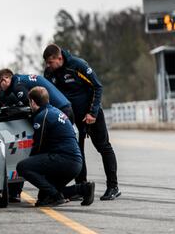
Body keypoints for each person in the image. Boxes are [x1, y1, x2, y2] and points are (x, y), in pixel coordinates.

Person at [43, 44, 120, 201]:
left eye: (50, 62)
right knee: (77, 152)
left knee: (103, 147)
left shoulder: (78, 65)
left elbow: (97, 87)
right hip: (71, 118)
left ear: (60, 58)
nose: (48, 66)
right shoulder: (49, 73)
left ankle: (113, 187)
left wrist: (92, 113)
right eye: (46, 63)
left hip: (90, 114)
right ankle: (82, 187)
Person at [17, 87, 95, 207]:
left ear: (32, 102)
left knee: (22, 166)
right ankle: (84, 189)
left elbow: (38, 146)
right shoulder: (56, 111)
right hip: (75, 163)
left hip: (63, 161)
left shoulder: (42, 116)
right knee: (43, 198)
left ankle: (57, 197)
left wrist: (32, 164)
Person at [0, 69, 74, 123]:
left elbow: (31, 107)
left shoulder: (17, 86)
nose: (0, 88)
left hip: (60, 111)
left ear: (6, 79)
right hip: (65, 107)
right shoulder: (21, 79)